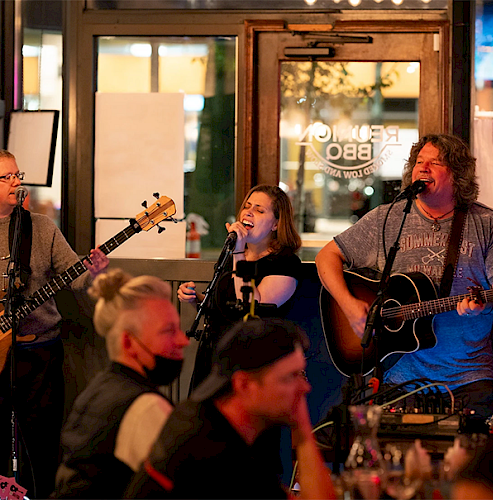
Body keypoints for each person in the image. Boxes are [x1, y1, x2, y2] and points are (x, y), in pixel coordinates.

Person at [316, 134, 493, 417]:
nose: (422, 168)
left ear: (458, 175)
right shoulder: (387, 218)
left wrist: (484, 305)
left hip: (470, 379)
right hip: (401, 379)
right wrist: (350, 306)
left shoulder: (487, 223)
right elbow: (326, 257)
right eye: (418, 161)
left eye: (435, 163)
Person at [124, 317, 336, 500]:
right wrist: (303, 430)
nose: (305, 387)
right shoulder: (214, 452)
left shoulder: (202, 416)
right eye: (291, 377)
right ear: (243, 385)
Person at [0, 149, 109, 497]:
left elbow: (73, 276)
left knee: (42, 445)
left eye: (19, 175)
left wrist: (92, 274)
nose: (17, 183)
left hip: (40, 352)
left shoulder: (41, 227)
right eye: (8, 178)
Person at [53, 269, 190, 499]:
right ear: (129, 342)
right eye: (169, 330)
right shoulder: (146, 408)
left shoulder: (96, 391)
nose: (183, 340)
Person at [178, 184, 302, 388]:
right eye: (248, 206)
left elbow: (250, 307)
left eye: (259, 210)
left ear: (276, 224)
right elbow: (223, 308)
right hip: (212, 355)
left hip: (250, 364)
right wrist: (196, 298)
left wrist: (238, 252)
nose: (249, 212)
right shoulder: (232, 254)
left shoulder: (285, 263)